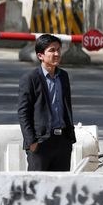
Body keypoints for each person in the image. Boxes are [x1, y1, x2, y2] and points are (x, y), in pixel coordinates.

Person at [17, 34, 76, 171]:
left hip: (62, 142)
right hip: (41, 142)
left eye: (58, 50)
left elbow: (67, 107)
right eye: (51, 50)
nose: (56, 54)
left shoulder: (63, 76)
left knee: (60, 188)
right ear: (40, 56)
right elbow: (23, 112)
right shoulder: (30, 79)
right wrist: (31, 142)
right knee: (37, 187)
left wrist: (69, 140)